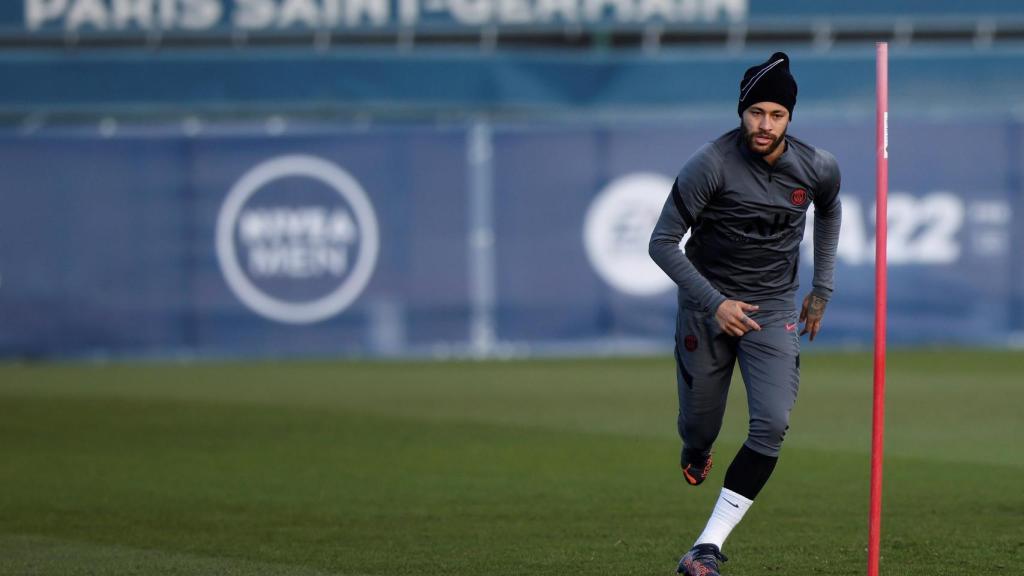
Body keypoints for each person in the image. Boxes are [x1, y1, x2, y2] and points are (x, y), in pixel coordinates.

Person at [648, 52, 843, 576]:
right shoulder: (709, 165)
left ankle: (706, 546)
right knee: (700, 425)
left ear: (789, 118)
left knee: (773, 423)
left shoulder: (817, 166)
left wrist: (820, 288)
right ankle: (695, 450)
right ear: (742, 113)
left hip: (775, 306)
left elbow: (829, 207)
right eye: (756, 112)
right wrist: (715, 303)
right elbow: (661, 243)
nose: (765, 124)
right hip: (708, 307)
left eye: (776, 115)